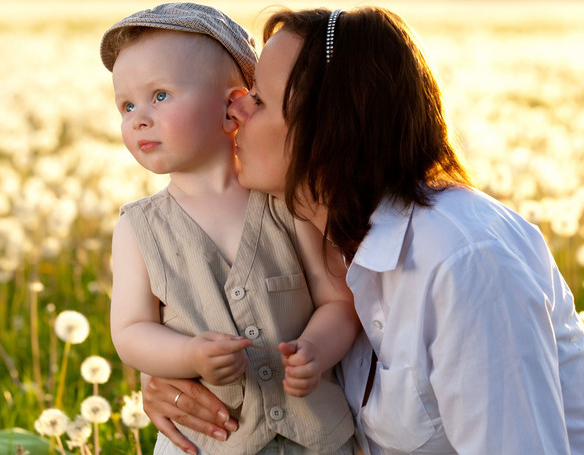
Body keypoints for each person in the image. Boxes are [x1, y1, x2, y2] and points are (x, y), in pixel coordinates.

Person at [146, 5, 584, 455]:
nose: (233, 110)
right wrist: (173, 379)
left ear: (327, 129)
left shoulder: (466, 262)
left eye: (258, 99)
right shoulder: (307, 238)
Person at [101, 3, 360, 455]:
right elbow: (130, 330)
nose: (138, 116)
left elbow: (337, 301)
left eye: (160, 95)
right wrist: (188, 356)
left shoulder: (289, 204)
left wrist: (318, 349)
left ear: (231, 108)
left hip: (317, 440)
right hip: (208, 443)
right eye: (126, 105)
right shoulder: (137, 227)